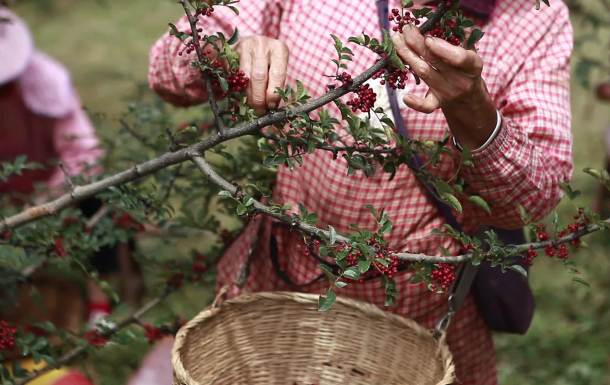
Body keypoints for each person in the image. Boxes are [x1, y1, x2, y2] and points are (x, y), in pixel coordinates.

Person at [147, 0, 573, 383]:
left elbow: (532, 201)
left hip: (416, 323)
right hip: (279, 299)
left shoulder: (535, 17)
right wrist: (227, 53)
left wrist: (477, 117)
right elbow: (168, 70)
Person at [0, 6, 115, 328]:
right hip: (7, 189)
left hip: (54, 181)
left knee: (96, 200)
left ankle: (99, 301)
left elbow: (84, 152)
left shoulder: (47, 80)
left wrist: (50, 197)